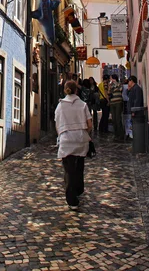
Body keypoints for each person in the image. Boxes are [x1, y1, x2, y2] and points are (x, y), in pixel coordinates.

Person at [55, 80, 92, 209]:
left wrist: (61, 135)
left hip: (66, 139)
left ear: (65, 90)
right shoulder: (83, 104)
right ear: (76, 90)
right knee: (79, 166)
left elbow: (57, 124)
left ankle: (72, 200)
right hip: (81, 139)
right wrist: (84, 134)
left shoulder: (60, 106)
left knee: (69, 170)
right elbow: (89, 124)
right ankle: (78, 190)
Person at [108, 74, 124, 141]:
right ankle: (116, 134)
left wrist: (114, 85)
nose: (110, 79)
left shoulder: (119, 84)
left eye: (111, 78)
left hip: (118, 102)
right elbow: (109, 92)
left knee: (118, 119)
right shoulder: (110, 85)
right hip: (112, 103)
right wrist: (111, 87)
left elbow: (120, 89)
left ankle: (120, 135)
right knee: (114, 119)